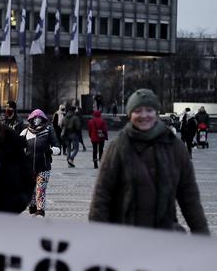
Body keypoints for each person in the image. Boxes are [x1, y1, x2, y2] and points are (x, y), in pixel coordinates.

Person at [89, 89, 209, 234]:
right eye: (138, 111)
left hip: (163, 237)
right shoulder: (118, 147)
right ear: (130, 114)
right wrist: (96, 238)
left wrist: (203, 237)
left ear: (156, 113)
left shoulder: (175, 147)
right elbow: (101, 197)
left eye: (149, 110)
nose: (144, 115)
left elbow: (189, 198)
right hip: (124, 238)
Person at [21, 109, 61, 217]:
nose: (37, 120)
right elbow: (18, 146)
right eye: (35, 118)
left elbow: (57, 147)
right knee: (30, 190)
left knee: (40, 189)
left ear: (43, 119)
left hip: (43, 166)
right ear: (31, 119)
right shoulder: (26, 132)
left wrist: (51, 151)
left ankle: (40, 210)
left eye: (39, 118)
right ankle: (33, 207)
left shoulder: (48, 130)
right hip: (28, 167)